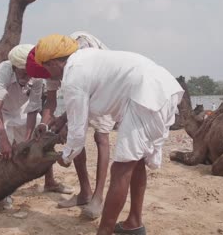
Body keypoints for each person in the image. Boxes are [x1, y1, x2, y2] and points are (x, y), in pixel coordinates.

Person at [34, 34, 184, 235]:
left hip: (145, 95)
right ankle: (134, 223)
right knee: (136, 161)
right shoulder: (86, 57)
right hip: (159, 87)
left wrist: (65, 156)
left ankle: (104, 231)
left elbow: (78, 133)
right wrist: (62, 123)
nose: (46, 74)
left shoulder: (73, 75)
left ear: (53, 63)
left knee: (120, 169)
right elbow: (79, 112)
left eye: (45, 68)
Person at [27, 31, 113, 219]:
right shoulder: (50, 64)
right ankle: (85, 192)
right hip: (81, 91)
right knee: (75, 135)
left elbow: (87, 98)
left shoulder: (82, 53)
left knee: (100, 136)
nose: (50, 76)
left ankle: (98, 197)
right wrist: (45, 123)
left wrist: (65, 120)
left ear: (54, 62)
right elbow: (51, 102)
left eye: (49, 71)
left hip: (103, 88)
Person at [0, 44, 72, 208]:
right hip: (0, 111)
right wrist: (4, 139)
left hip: (22, 111)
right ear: (14, 67)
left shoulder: (37, 76)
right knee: (3, 148)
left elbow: (32, 110)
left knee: (41, 139)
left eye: (29, 72)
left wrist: (27, 140)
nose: (27, 76)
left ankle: (50, 182)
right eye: (23, 72)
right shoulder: (3, 71)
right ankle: (4, 192)